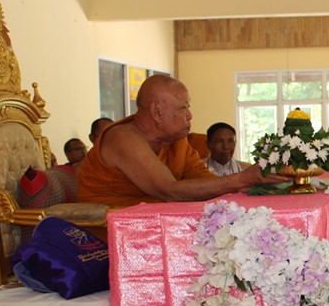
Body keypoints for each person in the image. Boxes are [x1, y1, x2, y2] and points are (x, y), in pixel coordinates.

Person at [77, 74, 287, 208]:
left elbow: (204, 181)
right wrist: (240, 180)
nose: (190, 115)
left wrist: (252, 185)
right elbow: (168, 190)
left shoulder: (175, 141)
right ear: (156, 112)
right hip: (105, 231)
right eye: (183, 107)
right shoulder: (123, 138)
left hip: (153, 221)